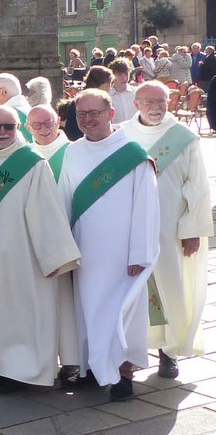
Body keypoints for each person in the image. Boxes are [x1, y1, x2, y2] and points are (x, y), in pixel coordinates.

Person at [0, 106, 81, 392]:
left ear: (19, 127)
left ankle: (17, 371)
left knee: (19, 312)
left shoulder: (32, 162)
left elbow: (47, 211)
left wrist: (54, 256)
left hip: (23, 255)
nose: (3, 132)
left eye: (9, 126)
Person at [58, 89, 159, 401]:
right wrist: (64, 249)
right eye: (81, 114)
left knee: (122, 315)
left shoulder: (131, 153)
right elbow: (64, 200)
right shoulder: (72, 152)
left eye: (94, 113)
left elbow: (147, 207)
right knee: (88, 312)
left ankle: (123, 375)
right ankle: (94, 368)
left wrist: (140, 253)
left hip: (122, 254)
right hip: (86, 251)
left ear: (110, 113)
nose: (88, 120)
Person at [121, 82, 209, 379]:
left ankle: (168, 352)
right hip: (129, 229)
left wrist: (192, 229)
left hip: (169, 228)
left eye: (162, 101)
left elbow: (197, 186)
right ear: (136, 105)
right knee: (132, 292)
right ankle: (131, 352)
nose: (156, 107)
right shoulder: (121, 135)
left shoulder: (184, 138)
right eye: (149, 102)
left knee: (170, 286)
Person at [25, 104, 80, 389]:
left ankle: (71, 360)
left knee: (66, 302)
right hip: (30, 242)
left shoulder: (73, 151)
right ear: (27, 127)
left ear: (58, 121)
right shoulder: (23, 156)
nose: (44, 129)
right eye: (37, 125)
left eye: (49, 123)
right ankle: (39, 360)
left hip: (65, 238)